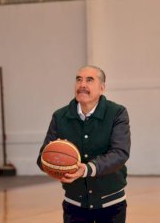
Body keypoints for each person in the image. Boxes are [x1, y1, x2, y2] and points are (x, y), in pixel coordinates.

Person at [36, 65, 130, 223]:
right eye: (78, 80)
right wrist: (57, 165)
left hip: (111, 205)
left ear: (102, 88)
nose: (82, 85)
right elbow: (42, 158)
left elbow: (120, 153)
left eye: (89, 80)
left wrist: (86, 169)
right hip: (74, 205)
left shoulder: (117, 113)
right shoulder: (60, 116)